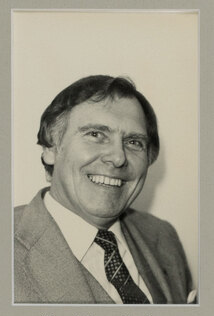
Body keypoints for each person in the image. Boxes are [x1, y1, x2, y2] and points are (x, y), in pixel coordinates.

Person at [14, 75, 196, 304]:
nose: (118, 157)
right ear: (51, 148)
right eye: (96, 135)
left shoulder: (162, 236)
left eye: (133, 142)